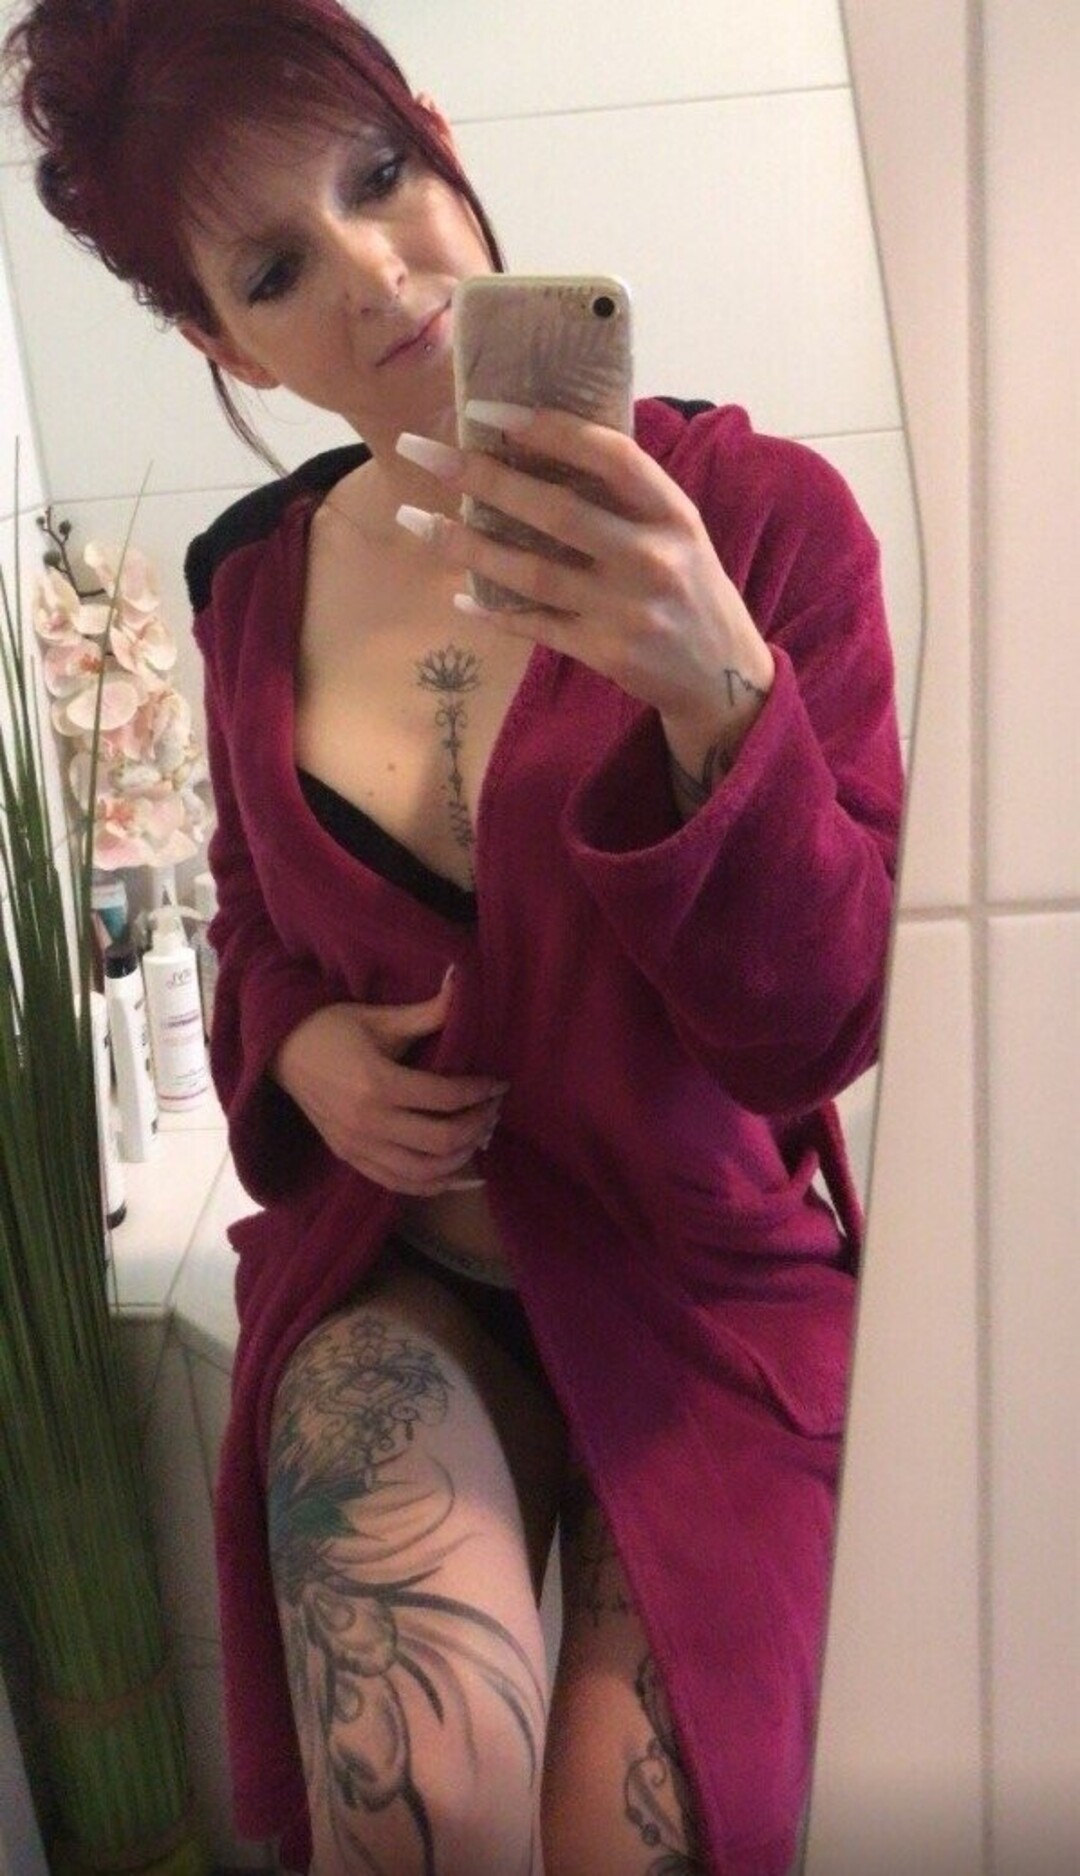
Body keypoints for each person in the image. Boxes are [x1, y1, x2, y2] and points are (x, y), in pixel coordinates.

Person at [4, 2, 904, 1871]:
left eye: (378, 175)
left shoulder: (754, 524)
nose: (373, 272)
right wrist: (295, 1048)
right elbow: (258, 919)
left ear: (441, 141)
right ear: (219, 339)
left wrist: (713, 689)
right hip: (409, 1272)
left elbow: (822, 1023)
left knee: (632, 1833)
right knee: (417, 1799)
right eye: (273, 268)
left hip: (702, 1285)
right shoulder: (251, 591)